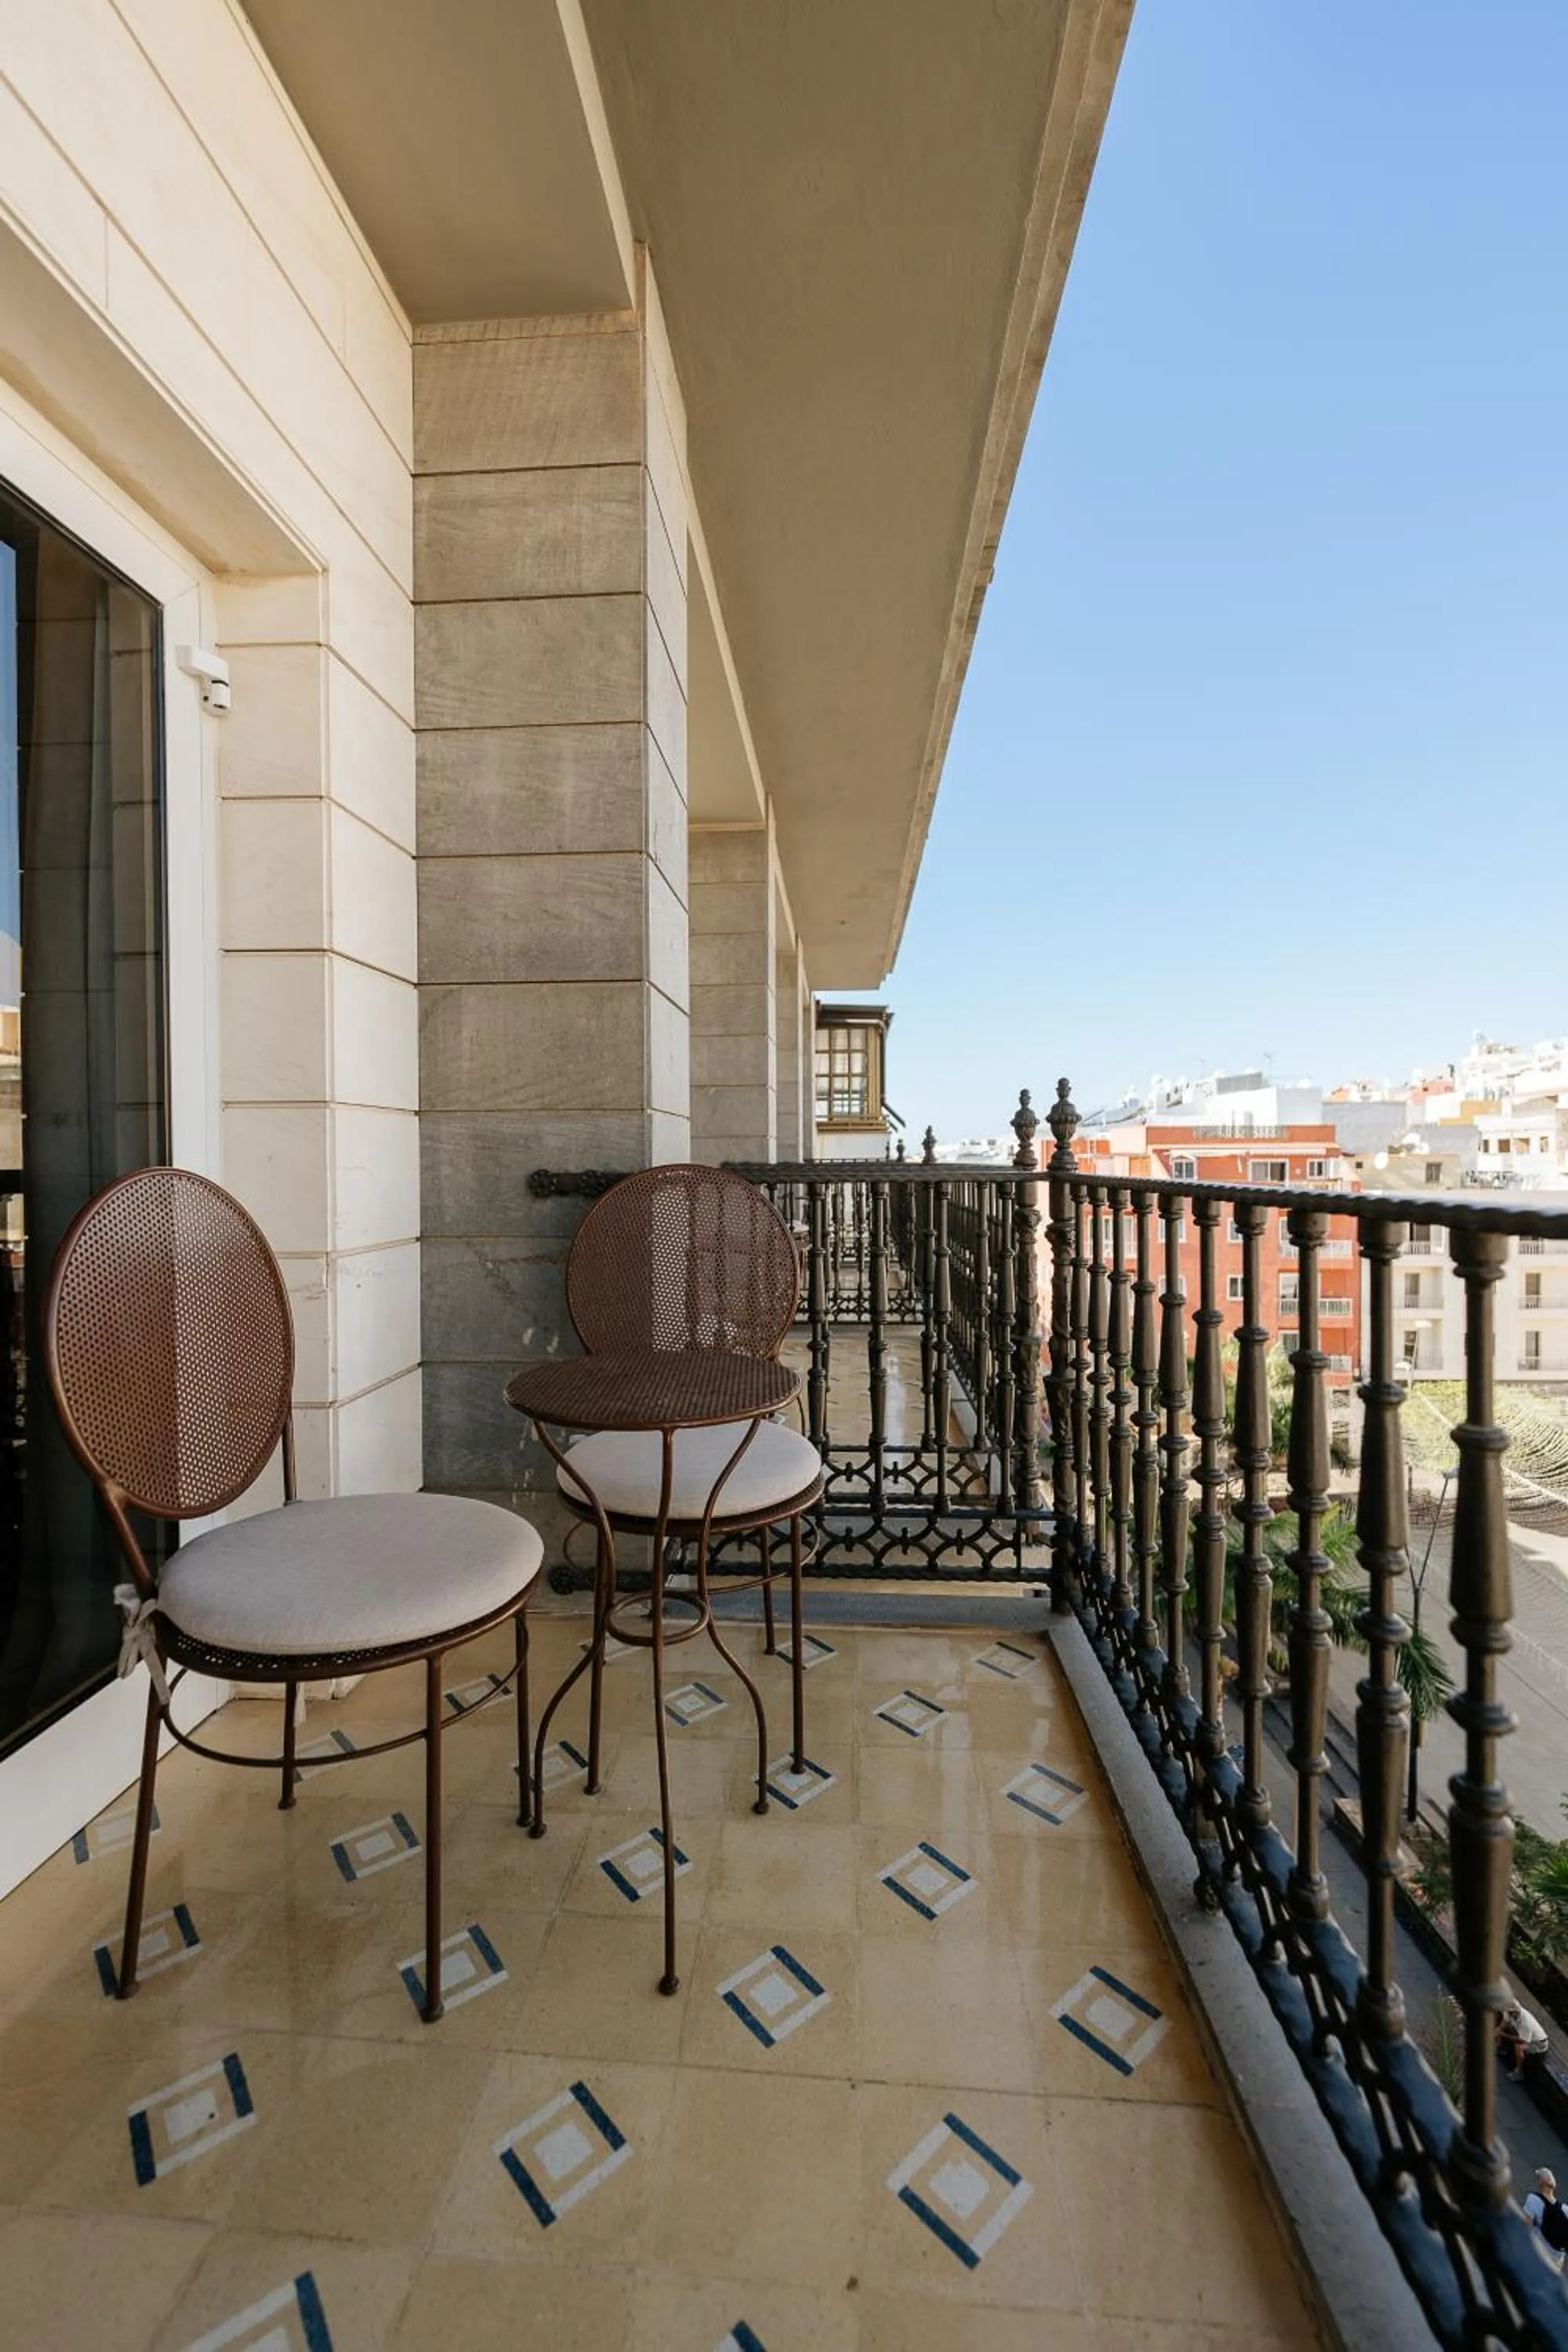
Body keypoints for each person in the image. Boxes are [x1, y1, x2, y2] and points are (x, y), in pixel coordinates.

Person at [1523, 2169, 1568, 2271]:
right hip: (1557, 2260)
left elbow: (1526, 2228)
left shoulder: (1533, 2199)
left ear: (1540, 2182)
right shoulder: (1566, 2210)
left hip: (1538, 2255)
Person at [1498, 1996, 1552, 2080]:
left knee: (1519, 2047)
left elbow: (1523, 2041)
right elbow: (1504, 2024)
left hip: (1538, 2043)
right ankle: (1500, 2048)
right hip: (1525, 2036)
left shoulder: (1525, 2023)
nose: (1508, 2014)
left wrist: (1503, 2035)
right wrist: (1498, 2032)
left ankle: (1519, 2073)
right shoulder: (1509, 2012)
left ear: (1515, 2012)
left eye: (1510, 2013)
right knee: (1507, 2028)